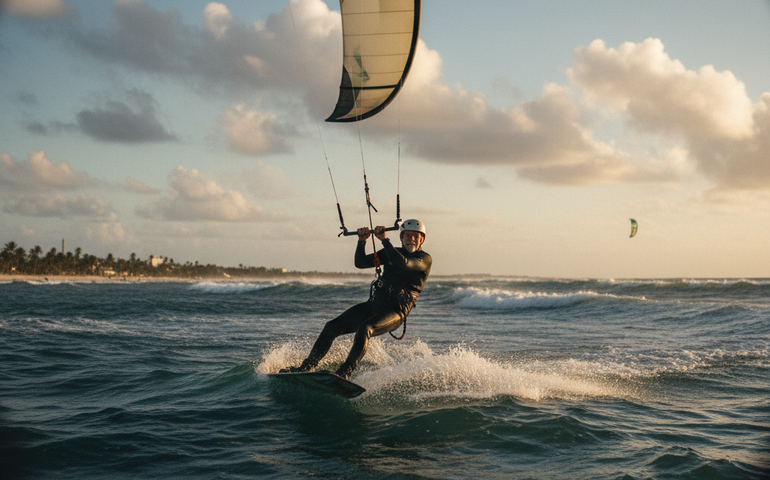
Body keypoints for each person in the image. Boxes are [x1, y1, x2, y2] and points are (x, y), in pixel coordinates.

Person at [282, 219, 432, 380]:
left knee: (365, 328)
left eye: (415, 236)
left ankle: (344, 372)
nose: (411, 239)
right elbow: (360, 263)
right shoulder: (390, 252)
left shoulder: (424, 259)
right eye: (407, 235)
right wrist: (362, 241)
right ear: (401, 237)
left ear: (422, 239)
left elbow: (404, 264)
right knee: (331, 327)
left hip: (395, 311)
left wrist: (384, 240)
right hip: (374, 305)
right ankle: (307, 367)